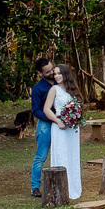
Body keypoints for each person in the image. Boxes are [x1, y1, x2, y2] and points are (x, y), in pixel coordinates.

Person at [42, 63, 83, 199]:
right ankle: (60, 189)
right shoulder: (54, 89)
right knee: (61, 155)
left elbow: (78, 106)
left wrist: (76, 117)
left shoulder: (72, 90)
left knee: (72, 155)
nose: (57, 76)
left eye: (59, 73)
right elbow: (46, 109)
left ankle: (73, 187)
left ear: (65, 74)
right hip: (60, 127)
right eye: (55, 74)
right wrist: (58, 121)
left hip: (72, 129)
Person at [29, 58, 56, 196]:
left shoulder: (60, 82)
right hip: (45, 124)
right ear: (40, 73)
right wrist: (52, 118)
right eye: (47, 71)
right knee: (41, 156)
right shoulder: (38, 89)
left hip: (61, 123)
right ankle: (35, 187)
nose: (51, 72)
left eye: (52, 69)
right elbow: (36, 110)